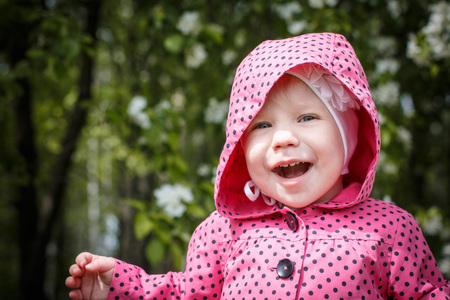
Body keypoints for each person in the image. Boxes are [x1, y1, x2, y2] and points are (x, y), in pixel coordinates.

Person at [66, 32, 450, 299]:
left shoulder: (389, 228)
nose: (282, 138)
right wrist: (123, 287)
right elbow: (188, 294)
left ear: (350, 136)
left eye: (306, 118)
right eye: (262, 125)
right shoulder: (223, 231)